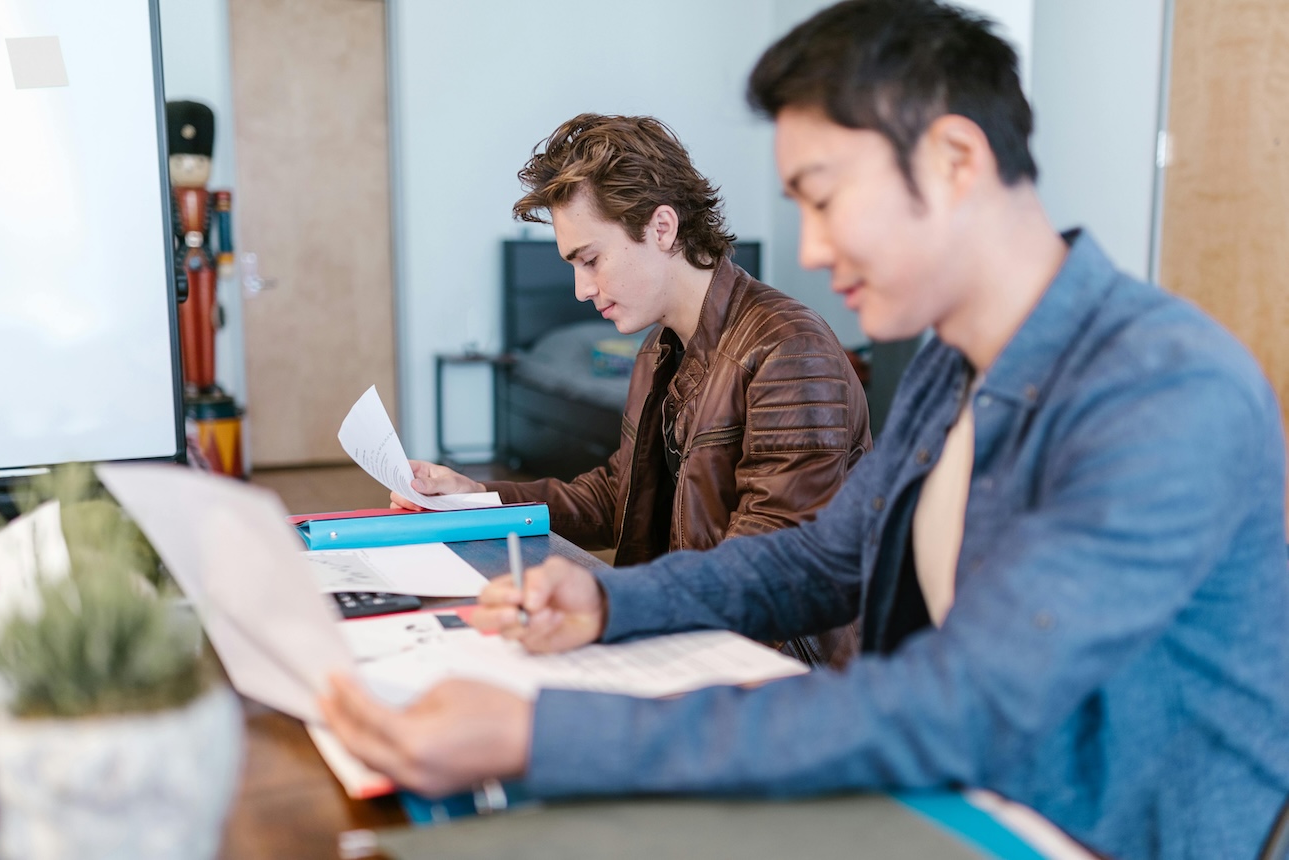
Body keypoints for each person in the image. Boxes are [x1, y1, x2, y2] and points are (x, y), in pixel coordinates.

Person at [322, 3, 1289, 858]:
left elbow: (962, 706)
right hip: (955, 796)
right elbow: (818, 559)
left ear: (956, 158)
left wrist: (547, 732)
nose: (814, 249)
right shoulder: (954, 366)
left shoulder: (1163, 390)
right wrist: (613, 606)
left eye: (824, 200)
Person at [397, 113, 871, 663]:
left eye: (590, 259)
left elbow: (765, 570)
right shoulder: (660, 347)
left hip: (778, 668)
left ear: (662, 227)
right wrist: (474, 497)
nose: (581, 289)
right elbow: (617, 494)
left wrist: (608, 604)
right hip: (694, 634)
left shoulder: (789, 349)